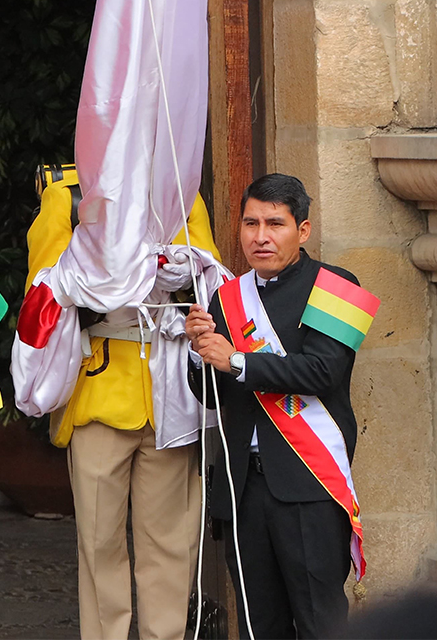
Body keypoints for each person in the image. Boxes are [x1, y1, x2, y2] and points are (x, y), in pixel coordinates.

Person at [26, 165, 220, 640]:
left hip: (171, 394)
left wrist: (186, 270)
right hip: (100, 389)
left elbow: (214, 288)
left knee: (170, 548)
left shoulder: (178, 188)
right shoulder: (68, 194)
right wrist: (92, 274)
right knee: (99, 546)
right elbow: (41, 297)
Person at [187, 173, 366, 639]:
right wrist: (198, 351)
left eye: (275, 224)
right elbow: (209, 392)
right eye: (250, 224)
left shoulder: (338, 284)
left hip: (307, 484)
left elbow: (322, 372)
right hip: (242, 488)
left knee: (319, 621)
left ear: (302, 230)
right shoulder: (226, 297)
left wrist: (239, 360)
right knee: (256, 624)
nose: (260, 236)